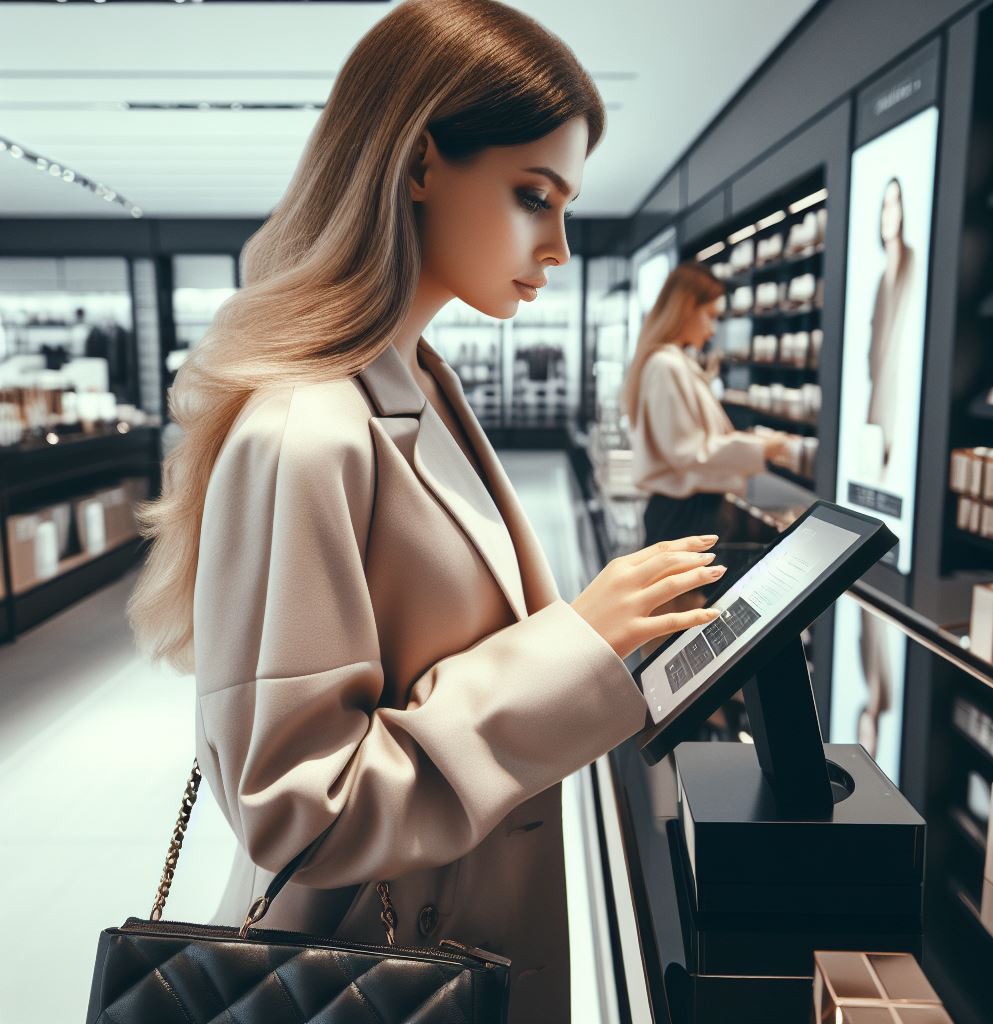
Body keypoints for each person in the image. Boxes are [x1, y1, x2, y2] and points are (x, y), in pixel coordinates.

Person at [124, 3, 726, 1020]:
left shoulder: (421, 385)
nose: (559, 247)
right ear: (417, 163)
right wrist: (573, 647)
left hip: (449, 947)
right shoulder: (308, 431)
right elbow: (299, 814)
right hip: (367, 979)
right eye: (533, 195)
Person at [621, 261, 789, 547]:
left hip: (687, 511)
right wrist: (762, 448)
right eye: (710, 316)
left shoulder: (673, 362)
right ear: (686, 308)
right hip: (683, 514)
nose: (712, 330)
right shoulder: (666, 365)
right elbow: (688, 451)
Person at [865, 176, 916, 476]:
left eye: (894, 204)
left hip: (896, 393)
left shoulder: (913, 264)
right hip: (879, 391)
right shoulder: (881, 279)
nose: (888, 214)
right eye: (885, 205)